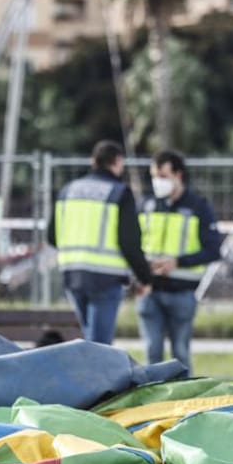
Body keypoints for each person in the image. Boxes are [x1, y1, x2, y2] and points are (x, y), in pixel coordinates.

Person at [47, 141, 154, 345]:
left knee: (89, 340)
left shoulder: (68, 190)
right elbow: (129, 242)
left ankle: (86, 375)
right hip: (105, 278)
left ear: (93, 161)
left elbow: (52, 236)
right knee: (99, 346)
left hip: (73, 274)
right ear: (117, 162)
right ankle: (95, 377)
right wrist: (145, 278)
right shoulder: (119, 193)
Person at [137, 149, 223, 374]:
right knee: (151, 352)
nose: (158, 182)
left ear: (179, 175)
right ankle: (152, 405)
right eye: (154, 176)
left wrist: (178, 262)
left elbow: (213, 250)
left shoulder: (198, 207)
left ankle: (185, 404)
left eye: (163, 176)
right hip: (150, 291)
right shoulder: (146, 205)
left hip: (183, 292)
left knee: (181, 353)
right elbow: (134, 245)